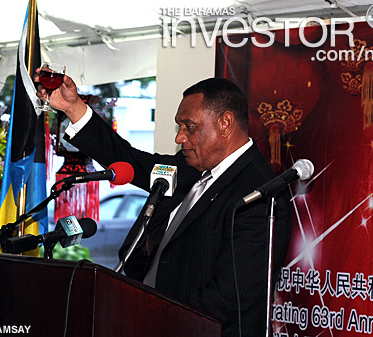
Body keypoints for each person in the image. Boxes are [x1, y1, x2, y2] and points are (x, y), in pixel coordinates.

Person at [36, 74, 292, 337]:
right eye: (179, 126)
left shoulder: (260, 195)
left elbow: (229, 297)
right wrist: (73, 107)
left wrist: (153, 320)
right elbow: (128, 161)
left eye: (189, 126)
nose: (180, 138)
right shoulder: (188, 168)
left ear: (225, 123)